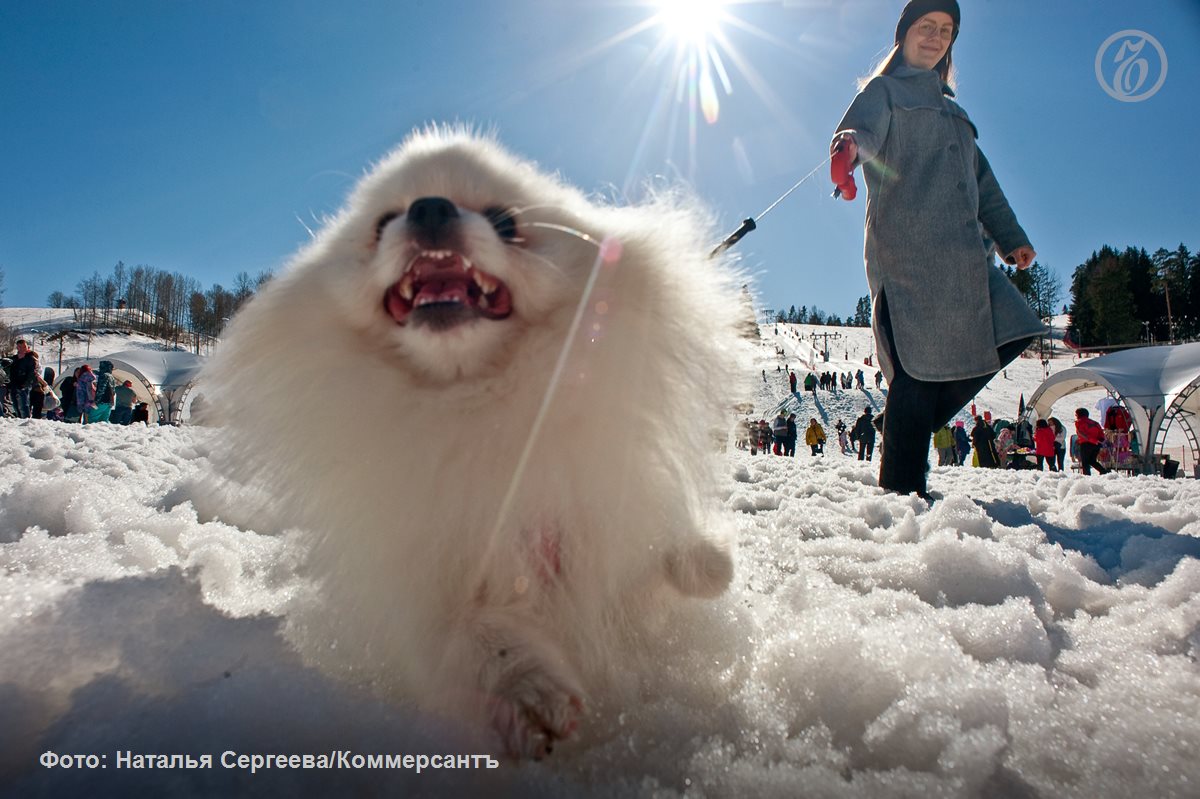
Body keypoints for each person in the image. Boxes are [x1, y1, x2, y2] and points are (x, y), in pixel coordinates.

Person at [830, 0, 1044, 499]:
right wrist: (846, 153)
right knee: (916, 371)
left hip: (968, 259)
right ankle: (902, 495)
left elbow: (984, 183)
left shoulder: (956, 114)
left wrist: (1011, 238)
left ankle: (904, 422)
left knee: (1015, 330)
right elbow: (857, 131)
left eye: (946, 30)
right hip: (909, 255)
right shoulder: (884, 92)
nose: (936, 36)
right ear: (903, 34)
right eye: (926, 26)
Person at [9, 339, 41, 419]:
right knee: (15, 405)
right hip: (14, 384)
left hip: (24, 385)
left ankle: (26, 421)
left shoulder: (30, 358)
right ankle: (18, 419)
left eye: (24, 347)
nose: (22, 348)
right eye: (20, 347)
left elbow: (32, 373)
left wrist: (26, 384)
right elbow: (10, 370)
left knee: (24, 404)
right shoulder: (14, 358)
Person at [1074, 408, 1110, 476]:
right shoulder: (1095, 423)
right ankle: (1103, 472)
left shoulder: (1079, 422)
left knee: (1085, 462)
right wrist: (1099, 441)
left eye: (1076, 414)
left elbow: (1082, 433)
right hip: (1096, 444)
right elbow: (1101, 434)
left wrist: (1093, 440)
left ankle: (1087, 477)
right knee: (1092, 460)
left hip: (1086, 444)